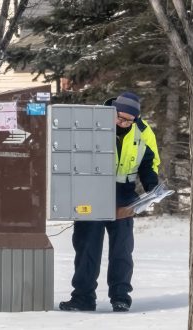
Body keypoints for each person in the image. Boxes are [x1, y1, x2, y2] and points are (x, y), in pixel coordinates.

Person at [59, 91, 160, 312]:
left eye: (128, 120)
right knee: (87, 247)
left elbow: (149, 164)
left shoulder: (143, 132)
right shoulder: (94, 123)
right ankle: (83, 297)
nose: (123, 123)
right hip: (91, 193)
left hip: (124, 195)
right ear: (112, 111)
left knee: (122, 251)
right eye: (120, 118)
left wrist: (153, 187)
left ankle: (120, 296)